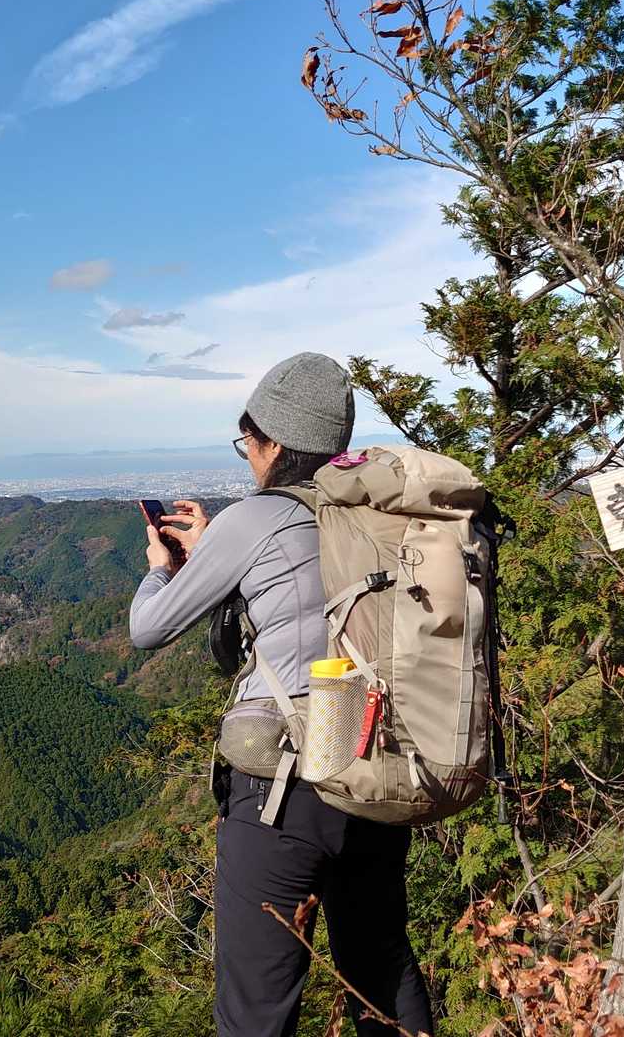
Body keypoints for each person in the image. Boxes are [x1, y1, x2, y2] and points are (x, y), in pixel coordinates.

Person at [128, 352, 434, 1037]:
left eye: (248, 445)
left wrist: (161, 569)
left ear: (271, 443)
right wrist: (220, 545)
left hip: (285, 788)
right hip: (378, 766)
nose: (248, 460)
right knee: (381, 968)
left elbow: (148, 628)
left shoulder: (257, 517)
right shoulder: (375, 512)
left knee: (257, 1007)